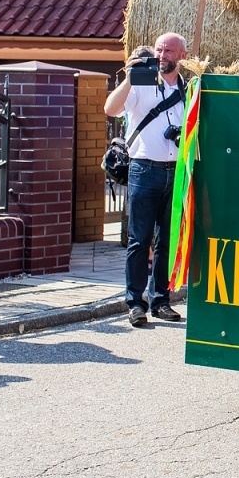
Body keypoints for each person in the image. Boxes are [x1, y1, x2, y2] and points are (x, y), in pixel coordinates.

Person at [104, 33, 189, 327]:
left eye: (169, 51)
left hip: (174, 171)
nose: (163, 55)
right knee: (139, 240)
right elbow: (110, 109)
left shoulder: (186, 89)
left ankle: (161, 300)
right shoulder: (141, 84)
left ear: (183, 56)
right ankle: (134, 303)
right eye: (159, 49)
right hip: (144, 169)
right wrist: (130, 76)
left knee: (167, 240)